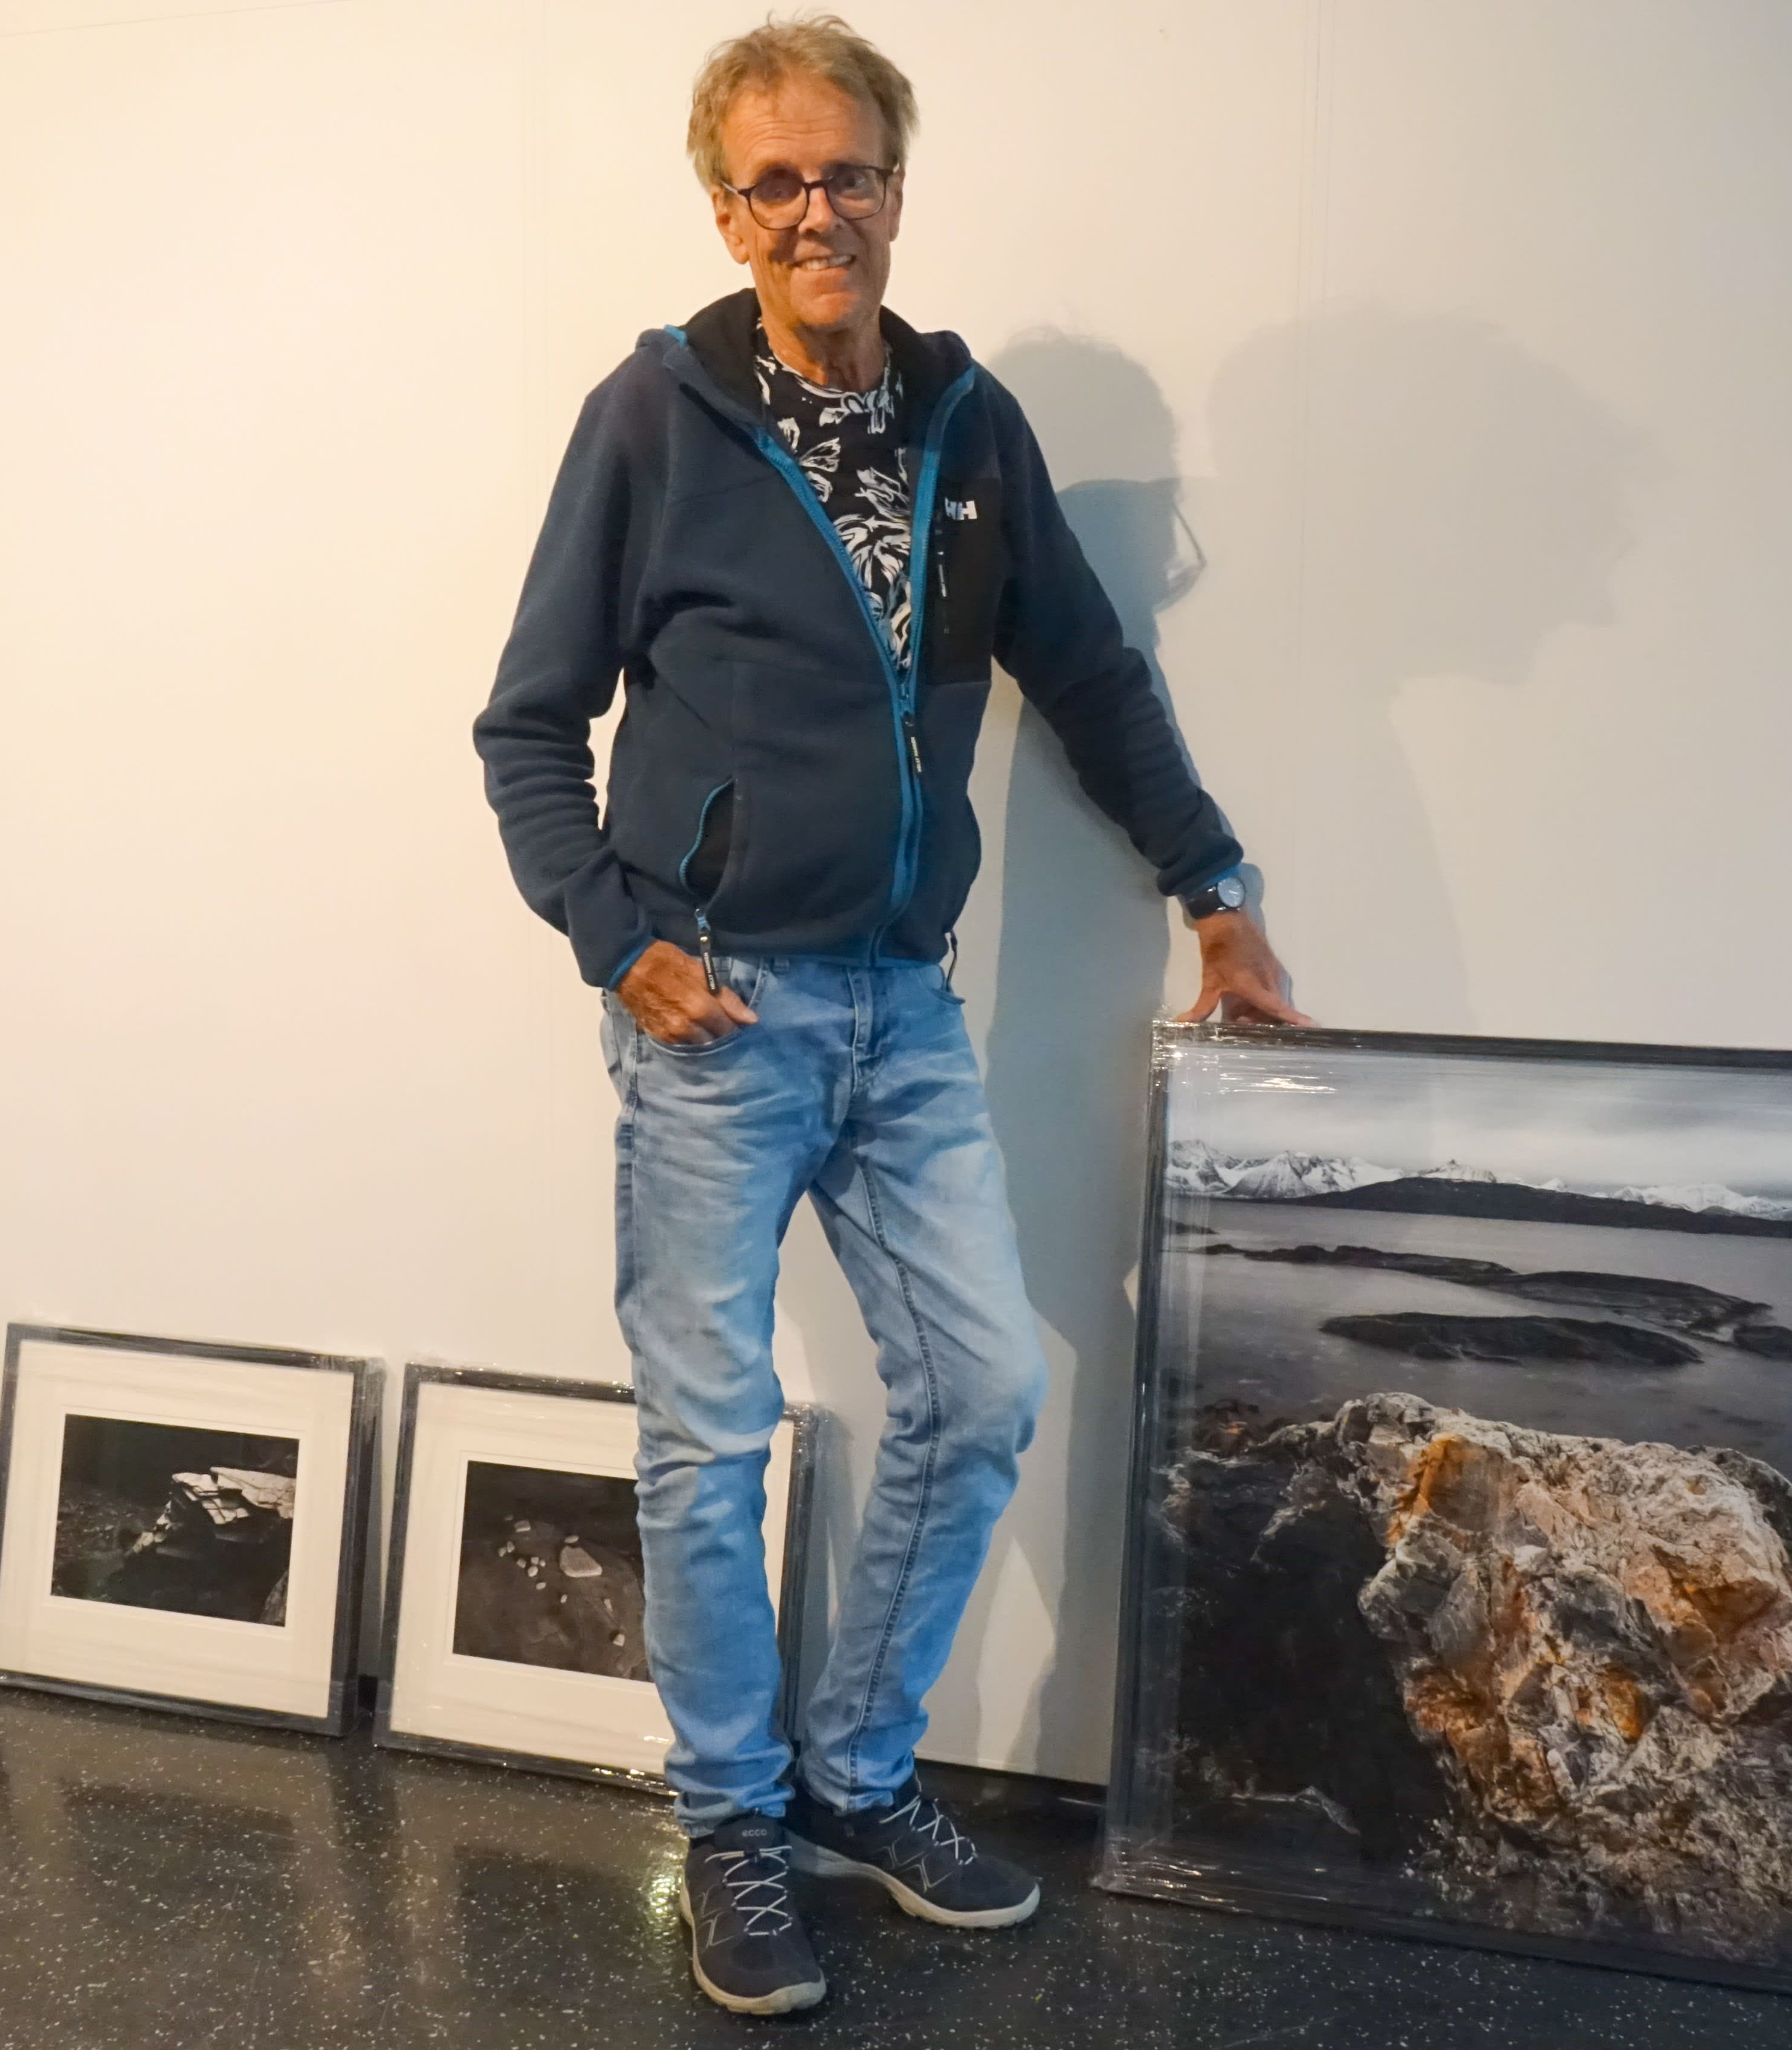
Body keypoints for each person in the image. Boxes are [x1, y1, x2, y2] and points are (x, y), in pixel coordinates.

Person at [474, 11, 1307, 2016]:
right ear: (724, 211)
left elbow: (1088, 677)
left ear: (896, 189)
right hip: (713, 1012)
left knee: (984, 1391)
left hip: (901, 1007)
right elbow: (527, 722)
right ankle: (730, 1822)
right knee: (710, 1440)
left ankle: (855, 1773)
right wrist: (610, 929)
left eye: (846, 173)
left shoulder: (965, 422)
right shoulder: (654, 415)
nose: (815, 212)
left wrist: (1215, 892)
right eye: (773, 183)